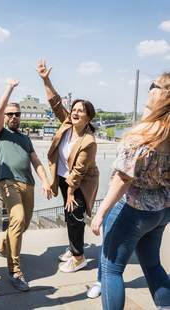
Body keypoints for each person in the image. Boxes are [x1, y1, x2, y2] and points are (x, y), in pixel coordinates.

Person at [91, 73, 170, 310]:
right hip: (161, 210)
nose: (149, 89)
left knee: (111, 268)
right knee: (153, 265)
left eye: (152, 85)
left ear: (161, 94)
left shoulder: (144, 134)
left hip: (132, 209)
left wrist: (100, 213)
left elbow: (123, 179)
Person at [36, 59, 99, 273]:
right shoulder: (67, 123)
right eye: (74, 108)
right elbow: (55, 102)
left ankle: (79, 257)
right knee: (69, 215)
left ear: (88, 117)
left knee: (74, 216)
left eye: (81, 110)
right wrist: (45, 79)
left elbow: (79, 171)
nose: (75, 112)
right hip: (64, 178)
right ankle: (74, 249)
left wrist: (71, 192)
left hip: (80, 184)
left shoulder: (89, 141)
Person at [0, 79, 52, 291]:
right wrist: (9, 88)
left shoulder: (25, 138)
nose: (14, 117)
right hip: (8, 182)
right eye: (10, 114)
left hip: (28, 184)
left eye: (17, 114)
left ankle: (4, 243)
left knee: (23, 225)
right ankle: (15, 271)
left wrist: (45, 181)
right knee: (17, 219)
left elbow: (36, 161)